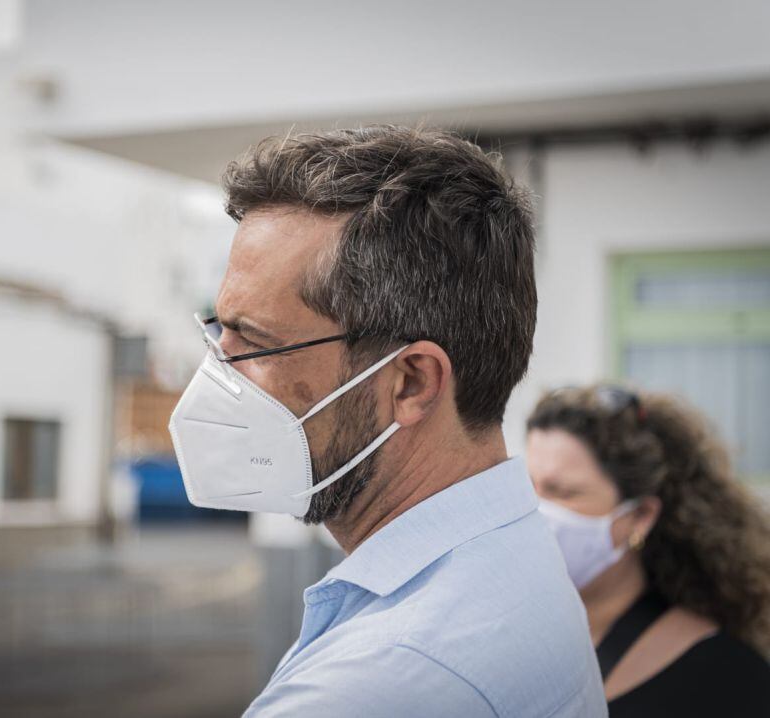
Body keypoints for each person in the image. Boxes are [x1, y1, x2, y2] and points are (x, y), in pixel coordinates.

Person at [168, 126, 606, 716]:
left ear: (411, 382)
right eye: (219, 331)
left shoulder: (380, 679)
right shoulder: (505, 553)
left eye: (255, 344)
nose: (219, 372)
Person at [526, 384, 770, 717]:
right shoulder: (516, 641)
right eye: (528, 488)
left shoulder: (726, 675)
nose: (536, 510)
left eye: (562, 492)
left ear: (640, 516)